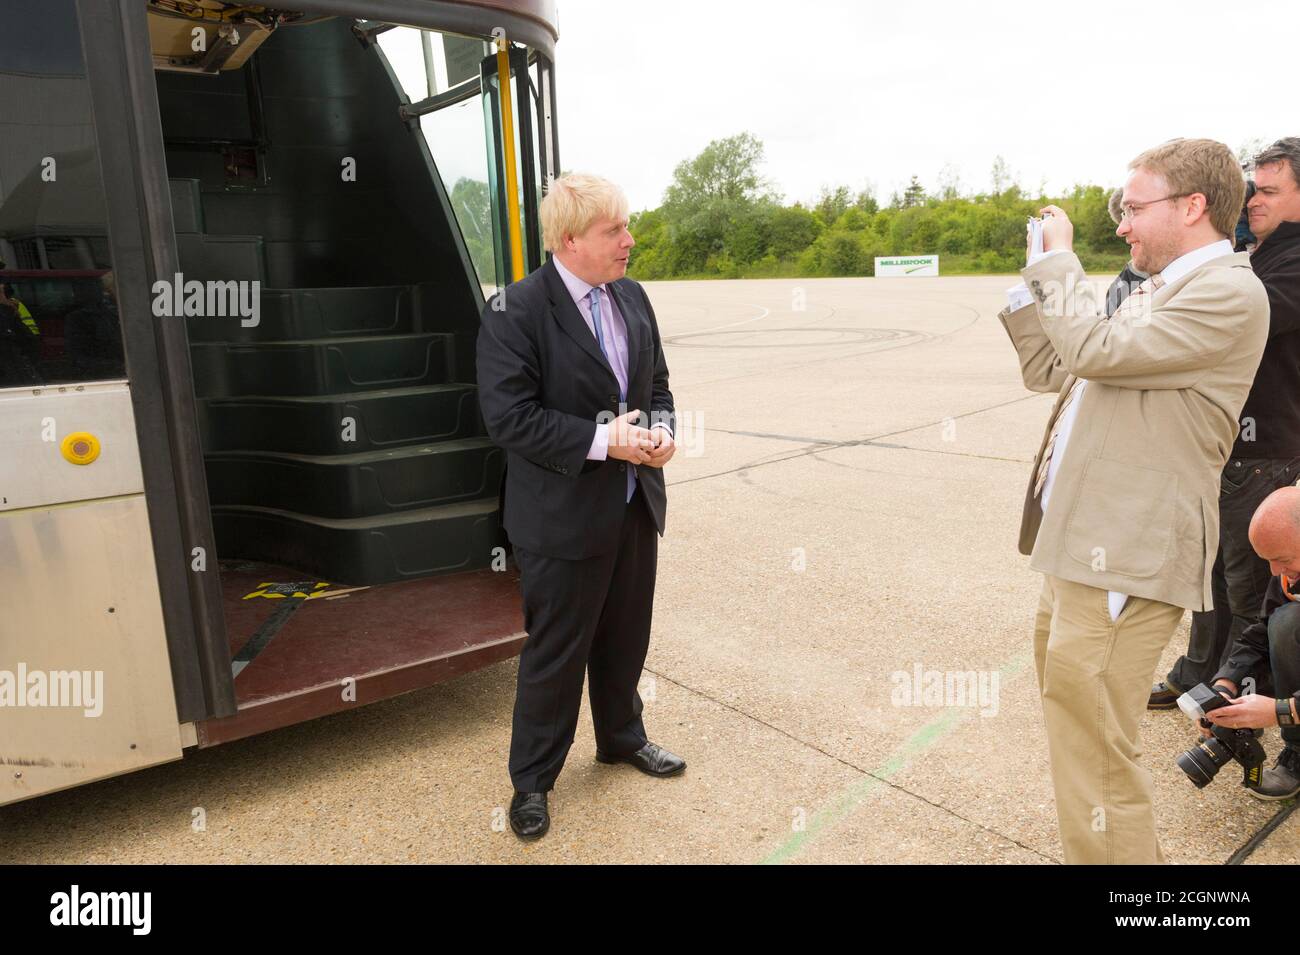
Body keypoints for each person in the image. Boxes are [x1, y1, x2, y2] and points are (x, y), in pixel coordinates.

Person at [997, 138, 1269, 863]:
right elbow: (1054, 366)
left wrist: (1061, 263)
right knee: (1079, 733)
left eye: (1133, 207)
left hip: (1124, 552)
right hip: (1082, 543)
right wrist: (1034, 283)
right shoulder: (1159, 287)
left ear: (1192, 206)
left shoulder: (1226, 291)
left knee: (1097, 754)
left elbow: (1096, 352)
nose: (1121, 224)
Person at [475, 172, 684, 841]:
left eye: (626, 226)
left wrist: (663, 432)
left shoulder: (632, 297)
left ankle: (622, 736)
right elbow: (509, 419)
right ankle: (532, 779)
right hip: (559, 518)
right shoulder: (516, 311)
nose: (630, 239)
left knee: (626, 637)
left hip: (631, 505)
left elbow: (656, 383)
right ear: (568, 241)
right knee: (557, 654)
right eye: (614, 230)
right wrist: (603, 440)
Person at [1152, 137, 1300, 710]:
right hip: (1224, 444)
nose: (1251, 201)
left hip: (1268, 449)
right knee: (1206, 569)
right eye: (1248, 189)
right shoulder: (1257, 252)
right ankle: (1197, 675)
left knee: (1246, 585)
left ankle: (1240, 701)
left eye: (1266, 191)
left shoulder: (1289, 260)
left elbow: (1241, 314)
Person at [1201, 486, 1300, 799]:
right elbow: (1262, 632)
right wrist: (1227, 682)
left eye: (1281, 559)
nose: (1274, 571)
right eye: (1268, 560)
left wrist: (1283, 710)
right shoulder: (1289, 573)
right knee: (1285, 623)